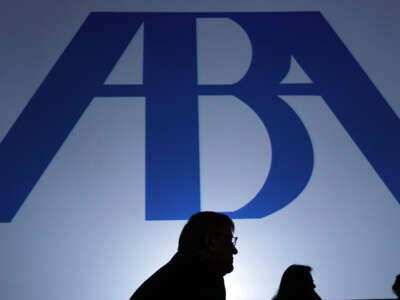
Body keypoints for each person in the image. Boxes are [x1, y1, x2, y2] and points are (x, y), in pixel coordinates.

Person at [130, 211, 238, 300]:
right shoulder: (204, 281)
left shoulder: (174, 276)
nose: (234, 250)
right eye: (229, 240)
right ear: (211, 240)